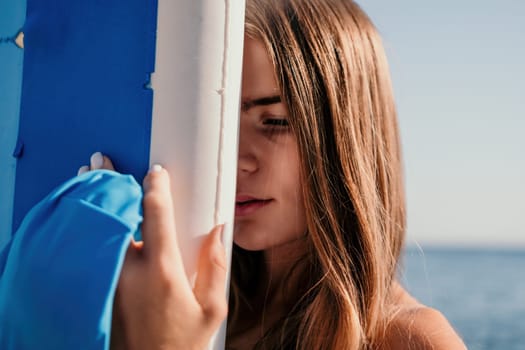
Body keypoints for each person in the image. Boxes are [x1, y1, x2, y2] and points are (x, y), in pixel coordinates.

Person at [82, 0, 467, 349]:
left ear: (346, 137)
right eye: (219, 124)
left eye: (274, 121)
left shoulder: (411, 340)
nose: (234, 160)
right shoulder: (189, 304)